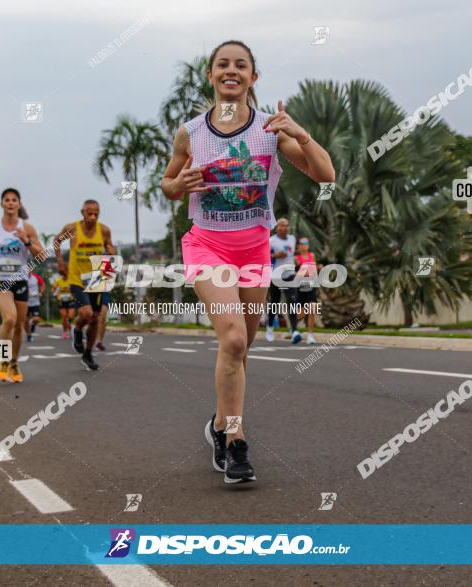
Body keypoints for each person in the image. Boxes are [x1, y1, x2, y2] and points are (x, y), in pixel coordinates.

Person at [159, 40, 335, 484]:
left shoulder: (271, 131)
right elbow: (168, 185)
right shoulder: (191, 133)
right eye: (223, 64)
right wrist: (181, 182)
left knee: (242, 347)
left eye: (241, 65)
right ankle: (236, 442)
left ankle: (218, 425)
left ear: (253, 78)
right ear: (211, 75)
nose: (231, 70)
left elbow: (325, 174)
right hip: (207, 246)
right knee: (234, 339)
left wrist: (300, 134)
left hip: (254, 251)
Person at [0, 188, 44, 383]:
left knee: (19, 326)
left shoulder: (28, 228)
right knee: (9, 318)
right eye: (6, 200)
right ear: (1, 204)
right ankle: (3, 360)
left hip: (20, 280)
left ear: (19, 204)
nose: (10, 203)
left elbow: (40, 255)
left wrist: (26, 241)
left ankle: (14, 362)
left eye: (14, 200)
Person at [54, 199, 117, 371]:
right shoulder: (72, 229)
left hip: (97, 278)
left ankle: (88, 352)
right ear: (82, 212)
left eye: (96, 213)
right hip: (77, 279)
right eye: (89, 213)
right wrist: (60, 262)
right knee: (87, 313)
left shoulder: (103, 230)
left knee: (95, 318)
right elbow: (56, 241)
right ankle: (78, 329)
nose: (92, 216)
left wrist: (113, 252)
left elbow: (111, 248)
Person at [266, 218, 301, 344]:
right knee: (274, 302)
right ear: (277, 227)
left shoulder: (292, 239)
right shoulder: (271, 241)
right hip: (276, 275)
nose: (285, 228)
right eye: (282, 226)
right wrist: (275, 256)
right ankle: (270, 327)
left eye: (287, 225)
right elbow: (264, 257)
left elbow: (292, 254)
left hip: (290, 275)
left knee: (292, 301)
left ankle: (294, 331)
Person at [294, 237, 321, 344]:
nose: (305, 245)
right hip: (300, 288)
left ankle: (310, 336)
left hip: (311, 287)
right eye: (302, 243)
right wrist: (302, 273)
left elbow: (314, 270)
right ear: (298, 246)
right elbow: (294, 274)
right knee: (301, 315)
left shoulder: (312, 256)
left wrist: (317, 269)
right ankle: (294, 329)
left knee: (312, 310)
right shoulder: (296, 258)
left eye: (306, 243)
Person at [53, 270, 75, 339]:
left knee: (71, 316)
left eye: (66, 274)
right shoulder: (58, 281)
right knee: (64, 317)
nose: (65, 276)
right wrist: (56, 291)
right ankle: (65, 332)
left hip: (70, 300)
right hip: (62, 301)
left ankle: (69, 325)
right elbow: (53, 290)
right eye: (63, 275)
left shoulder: (71, 280)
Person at [24, 272, 45, 342]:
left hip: (35, 302)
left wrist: (41, 292)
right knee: (25, 321)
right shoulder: (21, 277)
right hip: (24, 302)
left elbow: (43, 285)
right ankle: (29, 335)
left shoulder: (36, 277)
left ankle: (32, 325)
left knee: (36, 319)